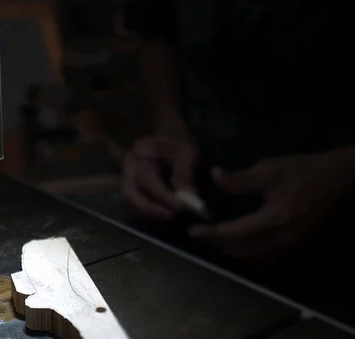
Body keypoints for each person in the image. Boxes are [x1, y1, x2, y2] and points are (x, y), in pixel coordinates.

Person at [120, 0, 355, 270]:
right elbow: (155, 32)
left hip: (334, 241)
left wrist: (343, 169)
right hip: (186, 209)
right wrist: (168, 128)